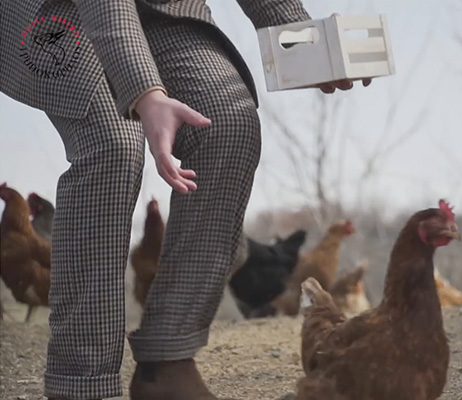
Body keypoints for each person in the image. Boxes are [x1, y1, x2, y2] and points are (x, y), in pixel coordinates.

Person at [0, 0, 371, 399]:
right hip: (62, 10)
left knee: (227, 121)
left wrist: (304, 40)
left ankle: (166, 362)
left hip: (164, 6)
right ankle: (80, 382)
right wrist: (146, 93)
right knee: (113, 143)